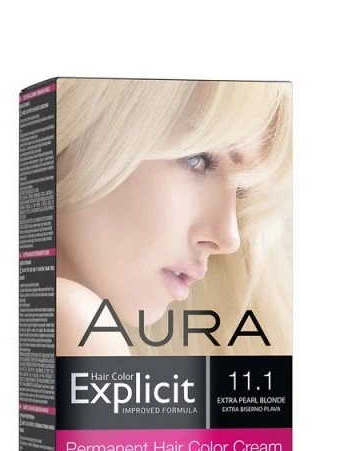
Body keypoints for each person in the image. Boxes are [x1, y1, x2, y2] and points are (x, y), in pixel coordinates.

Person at [55, 78, 292, 357]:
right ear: (92, 117)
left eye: (242, 190)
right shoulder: (74, 323)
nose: (229, 239)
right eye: (197, 159)